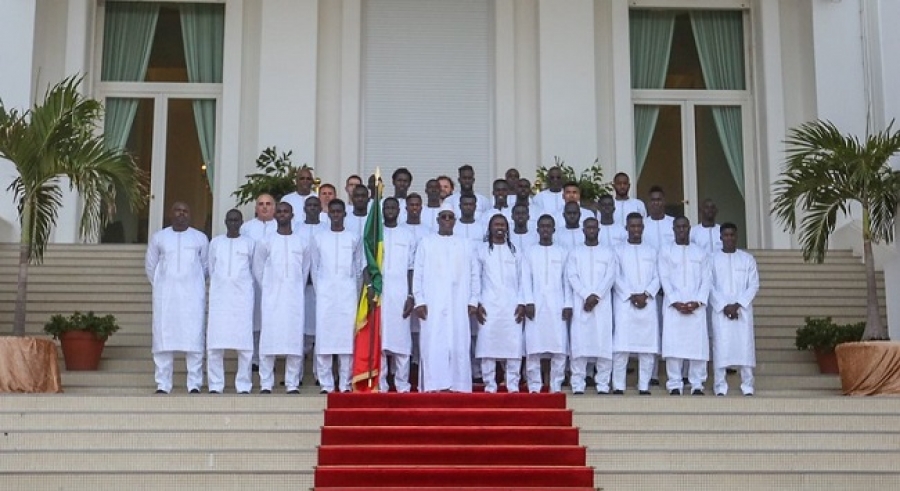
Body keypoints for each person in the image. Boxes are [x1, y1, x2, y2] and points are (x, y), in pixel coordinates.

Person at [145, 202, 209, 394]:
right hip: (167, 297)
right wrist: (163, 285)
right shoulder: (159, 238)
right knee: (164, 340)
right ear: (170, 214)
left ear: (190, 215)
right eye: (177, 211)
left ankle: (194, 384)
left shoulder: (200, 238)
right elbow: (150, 266)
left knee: (194, 339)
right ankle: (163, 384)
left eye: (185, 211)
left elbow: (205, 266)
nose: (181, 214)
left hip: (192, 297)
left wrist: (193, 283)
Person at [413, 209, 477, 392]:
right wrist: (419, 300)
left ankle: (459, 385)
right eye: (444, 217)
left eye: (450, 217)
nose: (447, 220)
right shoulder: (426, 243)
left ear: (455, 221)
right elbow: (418, 273)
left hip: (459, 302)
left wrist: (473, 300)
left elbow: (474, 274)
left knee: (458, 343)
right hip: (432, 303)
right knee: (433, 342)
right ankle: (434, 384)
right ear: (437, 220)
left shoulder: (466, 244)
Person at [253, 202, 311, 394]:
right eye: (280, 211)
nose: (283, 214)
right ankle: (266, 383)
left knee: (294, 341)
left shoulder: (301, 242)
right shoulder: (265, 241)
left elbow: (305, 270)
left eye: (286, 211)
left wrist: (294, 287)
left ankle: (292, 383)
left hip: (294, 298)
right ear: (275, 215)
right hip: (271, 298)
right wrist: (268, 287)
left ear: (292, 214)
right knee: (269, 340)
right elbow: (258, 268)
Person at [312, 199, 363, 393]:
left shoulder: (353, 237)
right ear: (328, 214)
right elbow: (315, 269)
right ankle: (326, 383)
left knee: (346, 341)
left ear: (344, 214)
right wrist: (322, 289)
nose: (335, 214)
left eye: (339, 211)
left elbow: (358, 268)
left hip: (347, 294)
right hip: (325, 295)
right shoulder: (318, 238)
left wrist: (354, 291)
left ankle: (345, 383)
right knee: (325, 340)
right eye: (332, 211)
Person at [472, 214, 527, 393]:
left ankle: (512, 383)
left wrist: (522, 303)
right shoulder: (481, 250)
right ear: (490, 228)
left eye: (502, 224)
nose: (499, 227)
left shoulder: (516, 251)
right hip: (489, 303)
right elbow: (476, 278)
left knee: (513, 345)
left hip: (512, 304)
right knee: (488, 344)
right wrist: (477, 303)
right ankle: (490, 384)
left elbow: (522, 279)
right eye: (496, 224)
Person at [659, 216, 711, 396]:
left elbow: (707, 279)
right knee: (674, 347)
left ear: (689, 228)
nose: (681, 230)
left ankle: (697, 384)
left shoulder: (700, 252)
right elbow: (664, 277)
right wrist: (675, 300)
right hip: (674, 307)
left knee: (698, 347)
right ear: (673, 229)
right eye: (678, 227)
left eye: (684, 227)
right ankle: (674, 383)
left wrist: (697, 302)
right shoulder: (666, 251)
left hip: (696, 307)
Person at [206, 209, 255, 394]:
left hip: (242, 299)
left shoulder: (250, 243)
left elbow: (254, 269)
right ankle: (215, 385)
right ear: (225, 221)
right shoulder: (216, 243)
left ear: (242, 222)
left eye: (237, 220)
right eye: (230, 220)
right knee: (215, 345)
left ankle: (243, 385)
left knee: (244, 345)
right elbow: (212, 268)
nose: (233, 223)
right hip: (220, 299)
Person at [567, 217, 617, 395]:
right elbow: (572, 276)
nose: (591, 230)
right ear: (583, 230)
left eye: (594, 227)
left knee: (603, 345)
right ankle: (577, 384)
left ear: (598, 230)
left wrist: (596, 296)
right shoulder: (575, 252)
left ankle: (602, 384)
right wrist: (586, 295)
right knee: (580, 345)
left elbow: (610, 276)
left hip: (601, 305)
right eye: (588, 227)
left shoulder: (608, 252)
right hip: (581, 303)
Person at [522, 215, 571, 393]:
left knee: (559, 347)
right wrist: (528, 301)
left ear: (553, 230)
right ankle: (534, 384)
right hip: (535, 304)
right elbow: (525, 278)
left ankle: (556, 383)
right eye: (542, 226)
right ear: (537, 230)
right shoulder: (529, 251)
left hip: (557, 304)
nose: (545, 230)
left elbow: (567, 280)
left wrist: (568, 304)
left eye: (548, 226)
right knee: (534, 347)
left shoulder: (562, 251)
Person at [611, 213, 660, 395]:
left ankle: (644, 386)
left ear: (643, 228)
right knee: (621, 348)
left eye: (639, 226)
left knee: (646, 349)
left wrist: (646, 294)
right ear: (626, 228)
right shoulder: (617, 250)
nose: (636, 230)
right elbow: (614, 275)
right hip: (625, 304)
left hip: (647, 303)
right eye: (632, 226)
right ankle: (618, 385)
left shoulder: (652, 251)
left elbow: (658, 276)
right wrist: (631, 295)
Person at [710, 223, 759, 396]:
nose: (729, 238)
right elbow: (710, 285)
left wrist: (738, 304)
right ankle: (720, 386)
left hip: (742, 312)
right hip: (721, 312)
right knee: (721, 347)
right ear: (720, 237)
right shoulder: (712, 259)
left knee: (745, 348)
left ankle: (747, 385)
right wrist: (724, 305)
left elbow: (753, 285)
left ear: (736, 236)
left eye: (732, 235)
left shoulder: (747, 259)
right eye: (726, 235)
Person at [379, 197, 417, 392]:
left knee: (402, 340)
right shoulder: (375, 234)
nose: (390, 210)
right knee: (381, 340)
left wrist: (411, 295)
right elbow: (368, 265)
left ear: (399, 210)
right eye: (387, 207)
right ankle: (382, 382)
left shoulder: (407, 235)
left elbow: (412, 268)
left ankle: (402, 383)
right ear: (382, 210)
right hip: (381, 294)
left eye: (394, 207)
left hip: (401, 292)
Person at [239, 193, 277, 370]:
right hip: (250, 282)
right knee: (253, 320)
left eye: (268, 204)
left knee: (271, 320)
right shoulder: (246, 228)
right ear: (255, 208)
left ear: (274, 208)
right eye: (261, 204)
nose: (264, 207)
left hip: (274, 282)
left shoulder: (280, 226)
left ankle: (269, 358)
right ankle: (254, 359)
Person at [296, 196, 329, 377]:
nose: (312, 208)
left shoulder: (326, 230)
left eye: (316, 205)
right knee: (300, 331)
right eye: (309, 205)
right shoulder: (296, 229)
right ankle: (298, 374)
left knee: (320, 331)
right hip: (301, 289)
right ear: (304, 208)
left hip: (321, 289)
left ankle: (319, 374)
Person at [643, 186, 675, 250]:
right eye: (653, 200)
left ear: (664, 202)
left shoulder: (674, 222)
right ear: (648, 203)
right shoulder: (642, 224)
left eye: (659, 200)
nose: (656, 203)